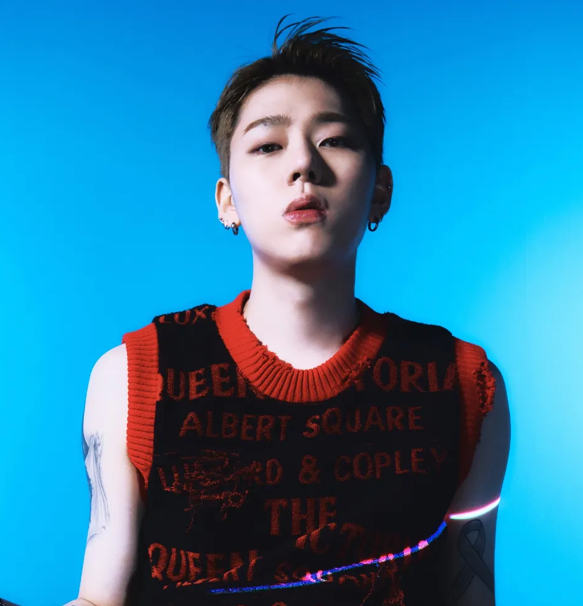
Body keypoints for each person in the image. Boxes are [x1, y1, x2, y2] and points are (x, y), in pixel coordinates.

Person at [73, 14, 510, 606]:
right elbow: (99, 598)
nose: (303, 163)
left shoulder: (464, 384)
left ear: (380, 191)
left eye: (334, 139)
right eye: (267, 145)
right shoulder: (133, 377)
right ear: (227, 201)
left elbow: (471, 596)